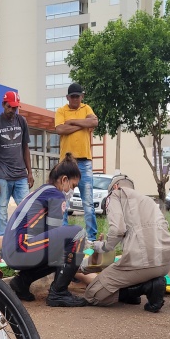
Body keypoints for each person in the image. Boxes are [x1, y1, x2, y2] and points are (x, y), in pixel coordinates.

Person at [82, 174, 170, 312]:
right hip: (165, 262)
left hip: (142, 261)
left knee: (93, 294)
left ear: (115, 187)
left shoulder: (115, 194)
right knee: (123, 272)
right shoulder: (149, 200)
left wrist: (102, 246)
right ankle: (144, 288)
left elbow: (117, 230)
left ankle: (145, 288)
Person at [2, 154, 88, 307]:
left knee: (63, 248)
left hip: (13, 251)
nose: (72, 191)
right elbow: (59, 238)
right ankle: (58, 293)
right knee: (78, 234)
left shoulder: (43, 191)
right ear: (63, 180)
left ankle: (21, 283)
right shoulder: (56, 195)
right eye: (73, 186)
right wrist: (74, 259)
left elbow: (51, 238)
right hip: (21, 247)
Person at [55, 82, 99, 242]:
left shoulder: (86, 108)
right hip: (66, 164)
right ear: (68, 97)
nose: (75, 99)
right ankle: (64, 238)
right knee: (63, 202)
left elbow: (94, 122)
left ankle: (91, 238)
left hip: (84, 162)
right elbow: (59, 129)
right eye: (72, 96)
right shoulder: (61, 111)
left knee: (88, 203)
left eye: (78, 96)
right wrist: (82, 124)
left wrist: (72, 122)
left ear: (82, 96)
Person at [0, 90, 33, 237]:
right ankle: (1, 243)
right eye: (9, 107)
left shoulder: (22, 121)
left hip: (20, 176)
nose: (12, 110)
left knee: (26, 209)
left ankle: (24, 240)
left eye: (15, 107)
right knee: (1, 211)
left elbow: (25, 148)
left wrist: (29, 173)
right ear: (3, 104)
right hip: (2, 176)